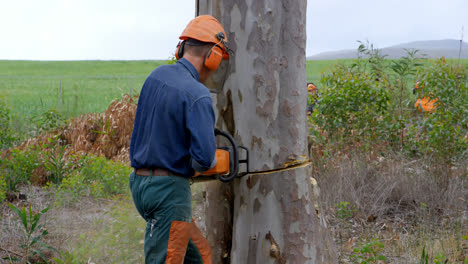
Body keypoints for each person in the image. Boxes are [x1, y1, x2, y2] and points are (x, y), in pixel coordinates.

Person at [129, 15, 230, 264]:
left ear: (181, 49)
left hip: (140, 186)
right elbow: (204, 158)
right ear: (213, 57)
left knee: (200, 257)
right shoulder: (198, 94)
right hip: (168, 194)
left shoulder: (156, 76)